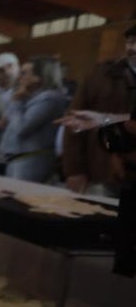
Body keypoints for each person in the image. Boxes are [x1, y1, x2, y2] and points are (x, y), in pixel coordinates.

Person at [62, 23, 136, 197]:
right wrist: (74, 169)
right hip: (102, 171)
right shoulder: (101, 75)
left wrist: (104, 118)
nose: (133, 47)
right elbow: (74, 122)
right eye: (131, 41)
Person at [0, 55, 68, 183]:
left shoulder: (49, 98)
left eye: (24, 73)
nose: (19, 77)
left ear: (38, 77)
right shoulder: (29, 96)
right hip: (18, 158)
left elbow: (21, 128)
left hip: (31, 160)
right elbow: (3, 123)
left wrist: (17, 102)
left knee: (18, 200)